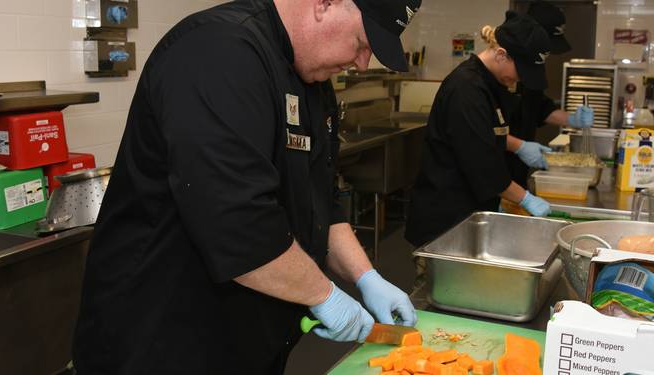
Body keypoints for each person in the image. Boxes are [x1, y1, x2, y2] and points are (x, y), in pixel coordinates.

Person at [72, 0, 420, 373]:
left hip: (244, 339)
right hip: (161, 340)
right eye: (361, 43)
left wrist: (366, 277)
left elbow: (321, 202)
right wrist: (326, 296)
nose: (362, 63)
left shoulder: (313, 83)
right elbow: (237, 225)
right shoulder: (218, 53)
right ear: (324, 4)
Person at [405, 11, 555, 247]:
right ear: (502, 55)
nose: (520, 80)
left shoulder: (490, 84)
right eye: (521, 72)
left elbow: (487, 135)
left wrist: (518, 146)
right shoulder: (466, 89)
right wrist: (525, 199)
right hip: (446, 219)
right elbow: (482, 162)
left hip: (469, 212)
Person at [502, 3, 594, 187]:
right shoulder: (503, 73)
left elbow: (540, 107)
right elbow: (483, 132)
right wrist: (519, 146)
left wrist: (573, 119)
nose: (547, 53)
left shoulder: (532, 66)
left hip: (518, 167)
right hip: (497, 165)